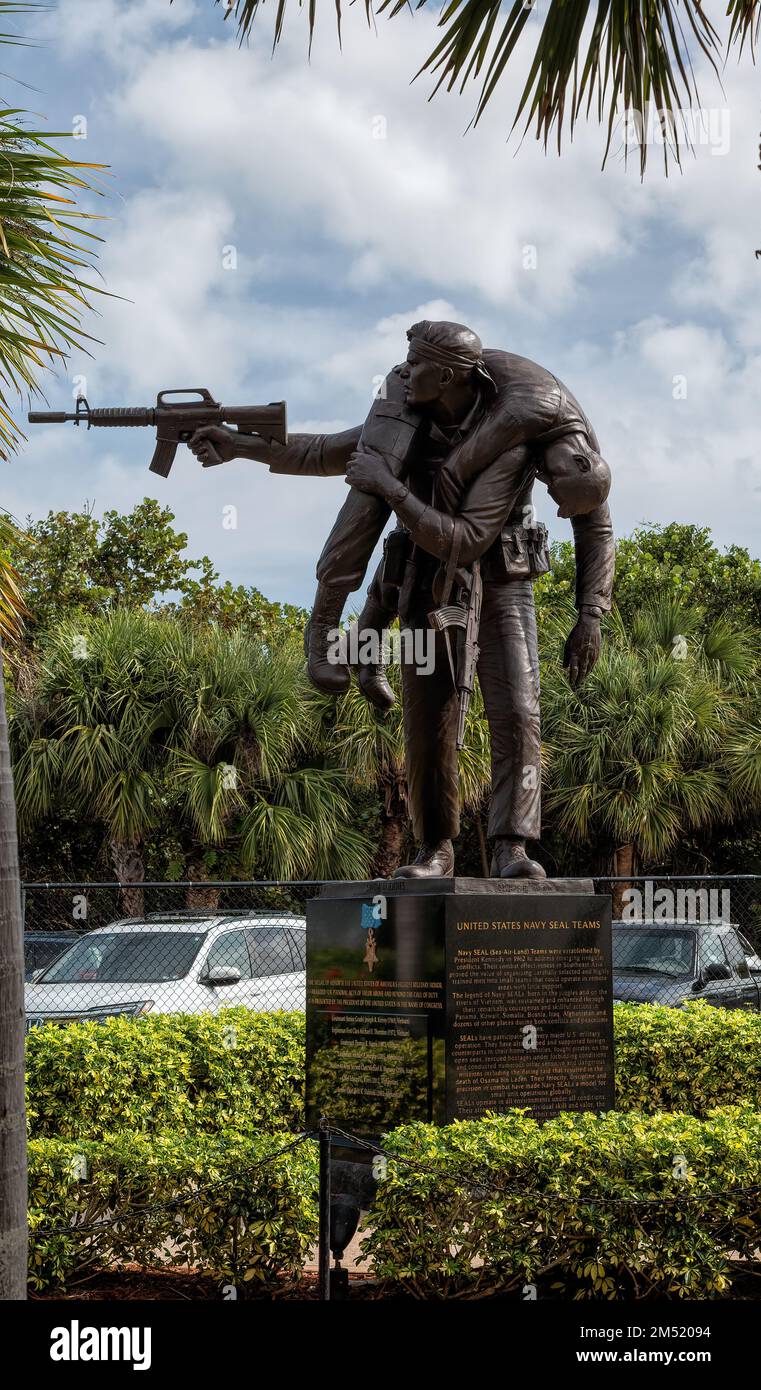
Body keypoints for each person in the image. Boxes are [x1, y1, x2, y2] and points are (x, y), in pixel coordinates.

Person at [189, 320, 614, 878]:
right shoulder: (402, 414)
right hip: (426, 570)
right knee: (427, 716)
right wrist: (240, 448)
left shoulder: (543, 425)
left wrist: (591, 613)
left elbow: (595, 525)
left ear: (447, 375)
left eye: (415, 365)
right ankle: (435, 847)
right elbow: (327, 452)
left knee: (518, 711)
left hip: (502, 577)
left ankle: (513, 845)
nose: (402, 372)